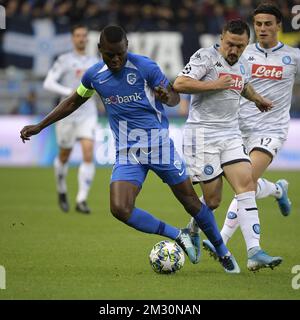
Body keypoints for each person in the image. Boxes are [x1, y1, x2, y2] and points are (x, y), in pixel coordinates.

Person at [20, 25, 240, 273]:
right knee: (120, 209)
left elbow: (175, 98)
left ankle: (223, 251)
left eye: (120, 54)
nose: (115, 60)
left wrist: (165, 96)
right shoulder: (94, 76)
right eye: (109, 55)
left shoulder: (145, 66)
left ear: (127, 48)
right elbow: (73, 101)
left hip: (158, 147)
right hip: (127, 154)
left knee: (191, 202)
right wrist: (40, 125)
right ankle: (179, 235)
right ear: (100, 50)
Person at [173, 19, 282, 272]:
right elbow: (179, 84)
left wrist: (257, 99)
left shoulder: (243, 64)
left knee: (246, 185)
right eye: (230, 44)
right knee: (212, 200)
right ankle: (190, 230)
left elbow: (242, 85)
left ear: (247, 44)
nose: (234, 50)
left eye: (240, 46)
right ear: (222, 38)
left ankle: (255, 250)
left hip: (230, 133)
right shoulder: (205, 57)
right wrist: (214, 84)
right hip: (202, 135)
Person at [206, 3, 300, 271]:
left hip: (272, 131)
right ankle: (278, 189)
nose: (262, 29)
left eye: (268, 24)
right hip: (238, 129)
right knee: (245, 185)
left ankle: (221, 241)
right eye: (258, 24)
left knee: (244, 183)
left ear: (278, 26)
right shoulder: (242, 54)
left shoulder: (293, 56)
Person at [43, 24, 98, 214]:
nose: (81, 38)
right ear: (72, 38)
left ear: (87, 38)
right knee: (64, 155)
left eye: (84, 35)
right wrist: (69, 93)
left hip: (88, 112)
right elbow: (48, 83)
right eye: (78, 35)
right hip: (66, 113)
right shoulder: (64, 60)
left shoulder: (95, 61)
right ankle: (61, 190)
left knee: (88, 152)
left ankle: (82, 199)